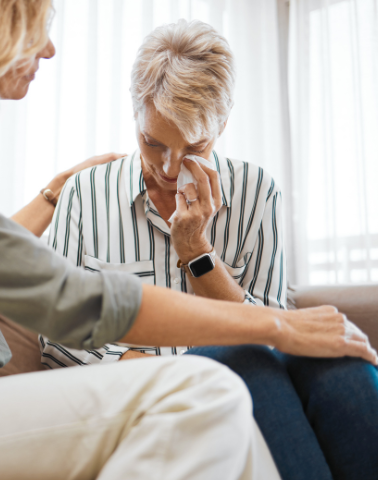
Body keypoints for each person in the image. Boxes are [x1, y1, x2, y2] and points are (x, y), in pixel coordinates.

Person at [0, 2, 375, 479]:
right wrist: (276, 325)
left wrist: (48, 195)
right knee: (205, 391)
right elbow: (68, 299)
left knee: (247, 418)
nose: (48, 47)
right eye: (33, 24)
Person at [39, 20, 378, 480]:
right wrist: (187, 372)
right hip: (142, 392)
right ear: (135, 113)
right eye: (152, 142)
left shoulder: (257, 191)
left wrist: (197, 250)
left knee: (341, 368)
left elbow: (274, 329)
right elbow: (60, 346)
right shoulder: (84, 194)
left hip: (247, 377)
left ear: (224, 121)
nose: (169, 167)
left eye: (194, 146)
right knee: (236, 366)